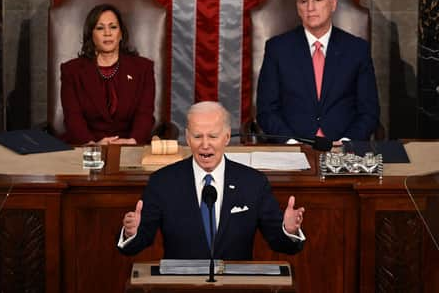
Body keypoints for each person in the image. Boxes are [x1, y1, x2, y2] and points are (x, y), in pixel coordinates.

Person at [117, 101, 305, 259]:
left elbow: (280, 242)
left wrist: (289, 230)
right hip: (181, 286)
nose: (205, 145)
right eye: (198, 136)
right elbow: (138, 243)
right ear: (188, 138)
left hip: (235, 287)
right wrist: (131, 232)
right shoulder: (163, 182)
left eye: (213, 136)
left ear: (226, 137)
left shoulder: (253, 182)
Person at [256, 0, 380, 142]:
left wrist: (347, 142)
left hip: (342, 147)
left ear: (333, 4)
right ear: (298, 8)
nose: (310, 8)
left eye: (318, 0)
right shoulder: (277, 49)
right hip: (292, 148)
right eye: (304, 1)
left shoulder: (357, 49)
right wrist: (290, 143)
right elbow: (266, 110)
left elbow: (369, 112)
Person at [60, 4, 155, 145]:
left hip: (131, 146)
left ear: (121, 33)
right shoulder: (72, 71)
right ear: (91, 35)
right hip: (87, 148)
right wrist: (92, 145)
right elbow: (73, 117)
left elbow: (145, 113)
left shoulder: (143, 68)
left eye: (113, 27)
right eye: (100, 28)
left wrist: (132, 142)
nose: (107, 33)